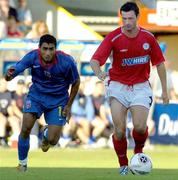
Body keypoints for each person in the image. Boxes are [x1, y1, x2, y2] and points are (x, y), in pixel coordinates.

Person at [90, 2, 169, 175]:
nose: (126, 22)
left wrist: (164, 90)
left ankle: (138, 153)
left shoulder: (148, 38)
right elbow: (95, 60)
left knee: (140, 127)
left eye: (130, 18)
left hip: (141, 86)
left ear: (137, 17)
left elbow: (160, 64)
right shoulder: (113, 37)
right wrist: (99, 73)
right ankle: (123, 164)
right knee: (119, 130)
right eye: (123, 18)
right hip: (118, 86)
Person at [4, 34, 80, 172]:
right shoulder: (32, 56)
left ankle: (46, 135)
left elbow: (76, 82)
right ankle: (22, 164)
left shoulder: (66, 61)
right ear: (39, 48)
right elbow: (16, 69)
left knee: (53, 140)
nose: (48, 53)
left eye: (51, 49)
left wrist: (68, 105)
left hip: (58, 100)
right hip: (36, 97)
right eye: (45, 49)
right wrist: (9, 75)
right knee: (26, 128)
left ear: (55, 49)